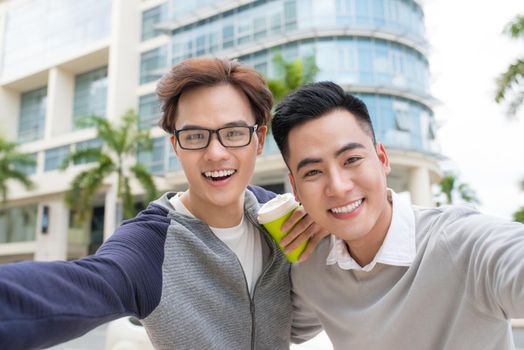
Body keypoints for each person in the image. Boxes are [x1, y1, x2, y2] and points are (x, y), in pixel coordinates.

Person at [0, 58, 324, 349]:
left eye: (233, 132)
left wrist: (318, 263)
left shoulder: (281, 217)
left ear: (259, 140)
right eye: (196, 136)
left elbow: (298, 327)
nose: (216, 153)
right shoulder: (150, 246)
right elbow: (78, 287)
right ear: (176, 146)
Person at [271, 81, 524, 350]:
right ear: (295, 188)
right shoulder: (313, 270)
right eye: (313, 172)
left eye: (352, 160)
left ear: (382, 159)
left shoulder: (462, 243)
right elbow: (261, 326)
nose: (339, 187)